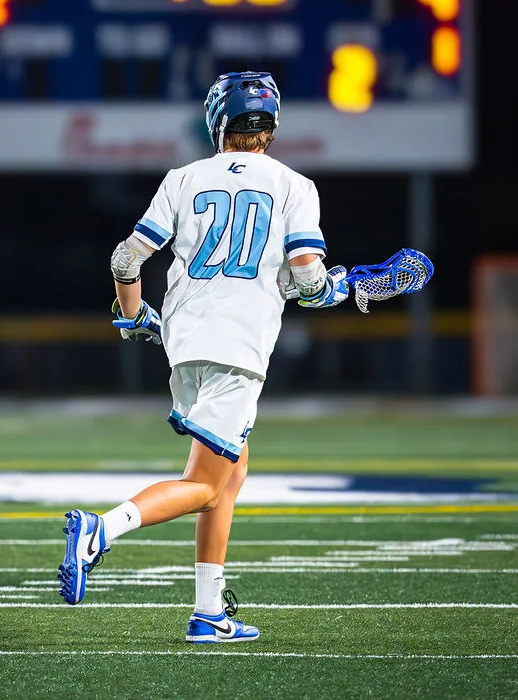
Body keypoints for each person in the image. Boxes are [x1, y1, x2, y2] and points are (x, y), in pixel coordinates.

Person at [58, 72, 349, 643]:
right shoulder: (295, 184)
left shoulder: (182, 178)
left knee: (230, 474)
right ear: (271, 125)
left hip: (183, 341)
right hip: (239, 345)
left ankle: (209, 611)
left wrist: (131, 313)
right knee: (207, 483)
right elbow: (308, 277)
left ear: (219, 121)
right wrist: (331, 290)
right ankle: (101, 529)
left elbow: (124, 260)